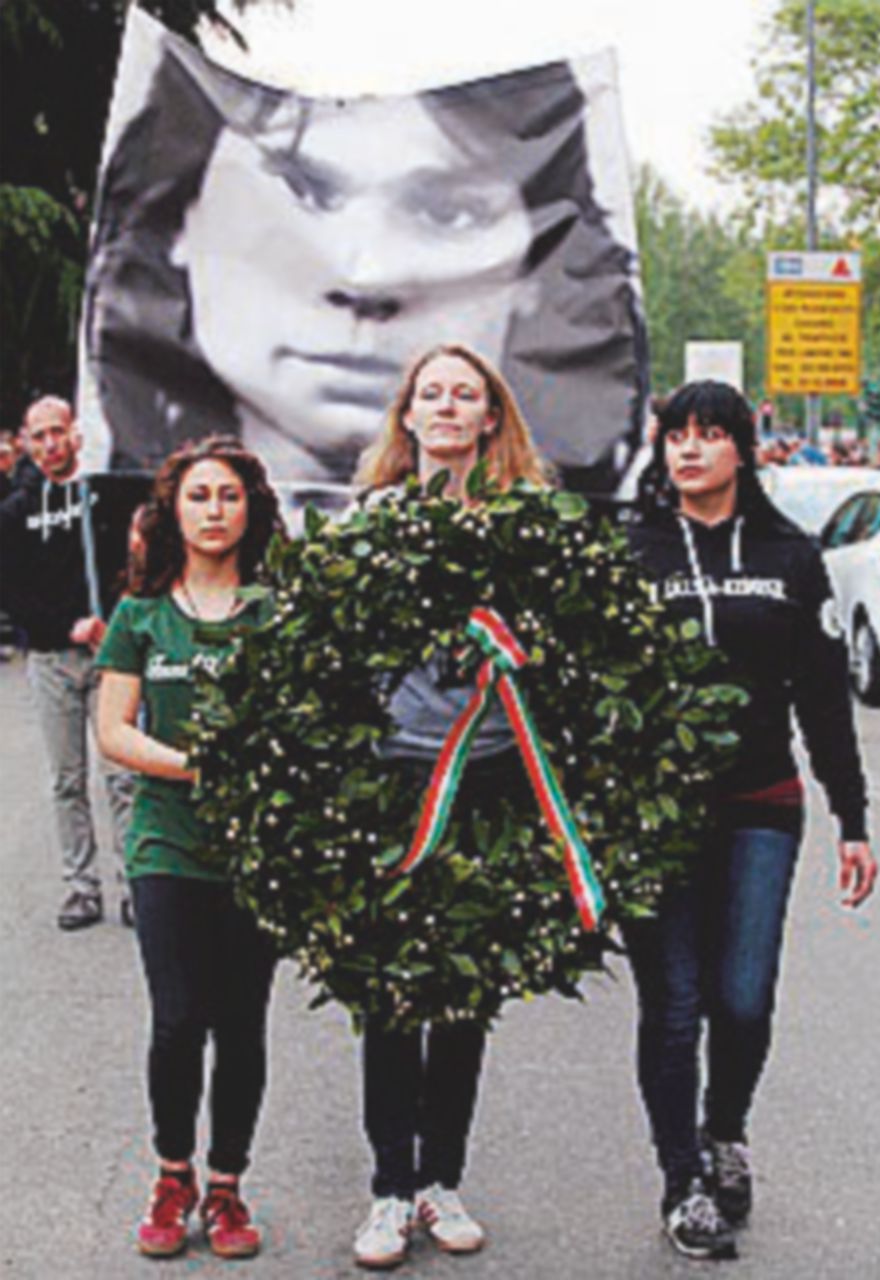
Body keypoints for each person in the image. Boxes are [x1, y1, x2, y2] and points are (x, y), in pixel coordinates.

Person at [82, 11, 646, 494]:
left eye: (450, 212)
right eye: (303, 190)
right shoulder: (122, 550)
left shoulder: (552, 549)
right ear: (181, 222)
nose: (367, 274)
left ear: (531, 277)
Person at [625, 380, 877, 1260]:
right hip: (654, 814)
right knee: (674, 1003)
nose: (688, 451)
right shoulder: (631, 550)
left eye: (708, 435)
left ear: (742, 447)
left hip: (762, 802)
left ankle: (724, 1130)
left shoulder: (788, 553)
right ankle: (682, 1181)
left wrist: (854, 816)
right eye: (675, 437)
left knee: (743, 995)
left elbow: (821, 698)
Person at [349, 343, 550, 1268]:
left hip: (493, 774)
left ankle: (442, 1180)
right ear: (407, 416)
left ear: (490, 418)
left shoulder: (526, 523)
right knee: (392, 991)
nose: (445, 407)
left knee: (465, 988)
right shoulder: (369, 520)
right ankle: (390, 1186)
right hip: (397, 773)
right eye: (430, 393)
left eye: (463, 394)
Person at [95, 437, 285, 1259]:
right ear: (173, 509)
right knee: (178, 1022)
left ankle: (228, 1188)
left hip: (259, 854)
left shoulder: (279, 613)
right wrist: (199, 767)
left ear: (251, 509)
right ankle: (172, 1177)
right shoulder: (140, 616)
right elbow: (112, 732)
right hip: (168, 845)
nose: (214, 509)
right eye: (199, 495)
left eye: (229, 495)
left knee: (241, 1026)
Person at [0, 396, 133, 928]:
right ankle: (81, 886)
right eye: (40, 436)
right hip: (53, 657)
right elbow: (14, 592)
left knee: (122, 776)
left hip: (109, 656)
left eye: (59, 432)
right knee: (66, 778)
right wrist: (61, 627)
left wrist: (115, 625)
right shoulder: (15, 512)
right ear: (27, 443)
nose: (51, 444)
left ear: (76, 433)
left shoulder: (105, 494)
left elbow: (134, 566)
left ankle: (132, 884)